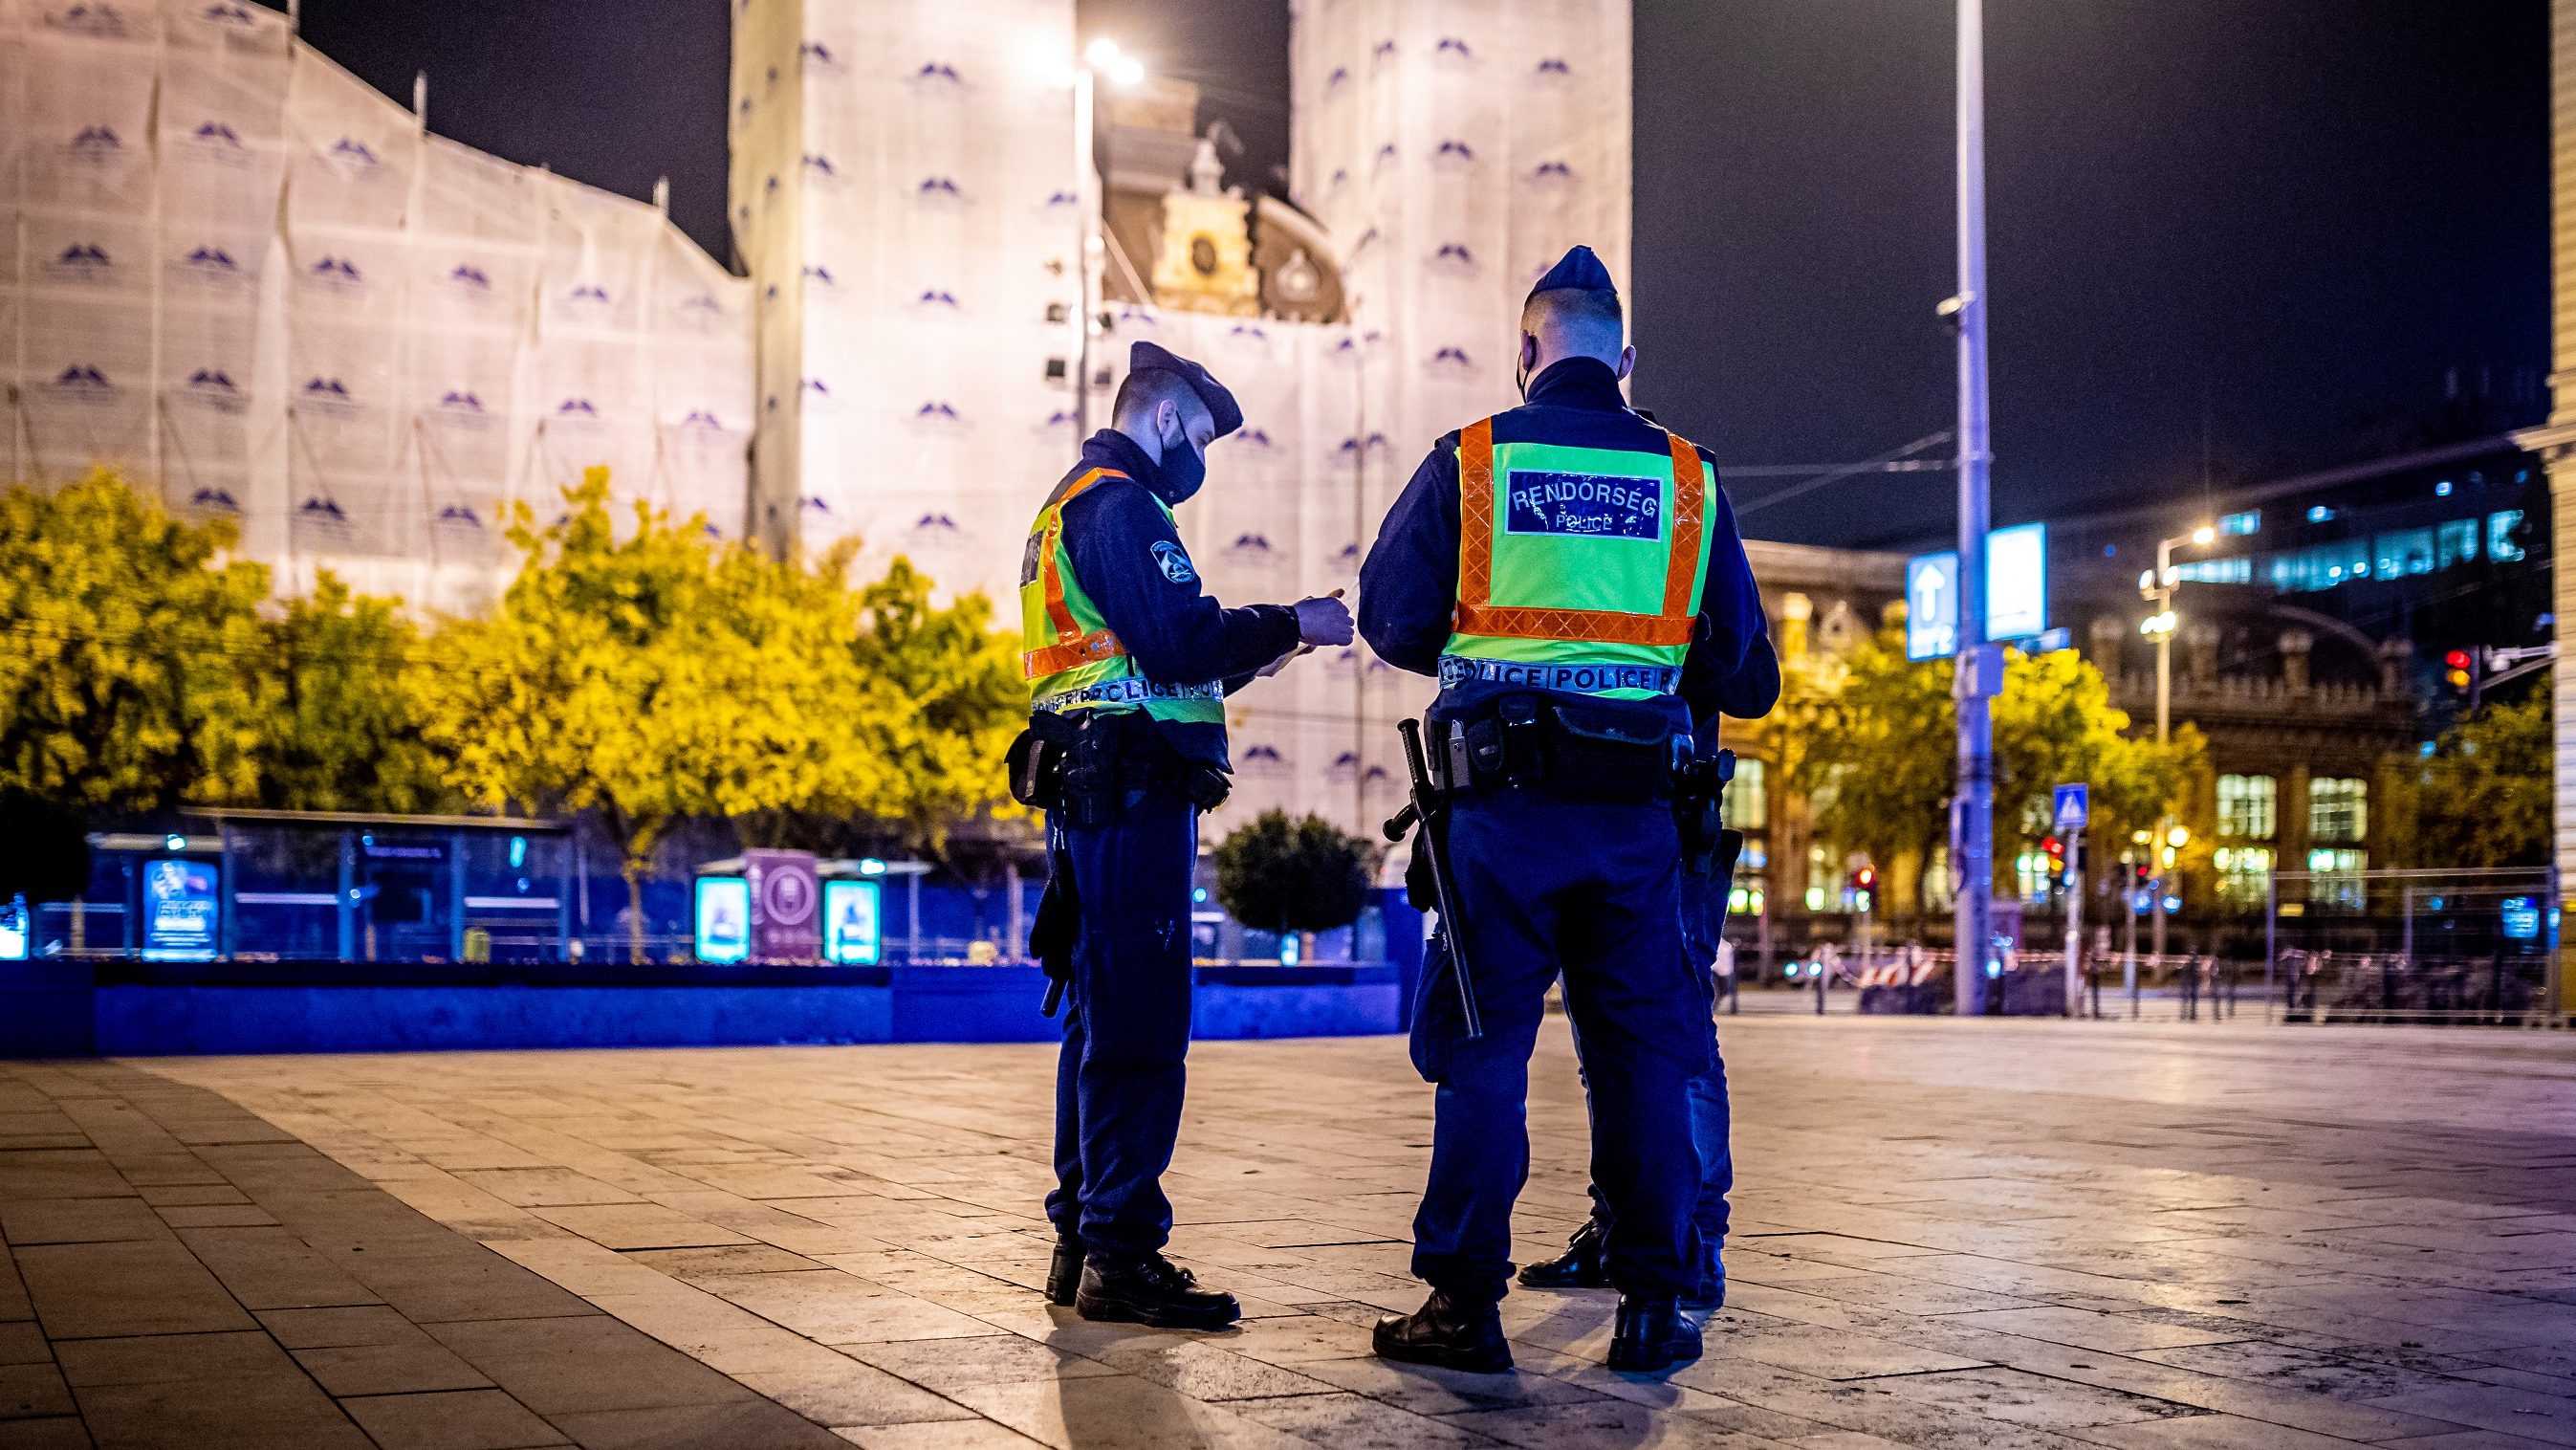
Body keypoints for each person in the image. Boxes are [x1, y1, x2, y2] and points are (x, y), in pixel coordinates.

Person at [1357, 245, 1768, 1374]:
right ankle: (1650, 1309)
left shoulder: (1474, 458)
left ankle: (1464, 1308)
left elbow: (1387, 620)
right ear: (1624, 359)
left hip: (1500, 817)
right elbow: (1743, 667)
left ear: (1525, 347)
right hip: (1635, 826)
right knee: (1640, 1060)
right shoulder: (1690, 478)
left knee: (1485, 1055)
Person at [1018, 341, 1354, 1329]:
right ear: (1164, 419)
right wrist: (1295, 619)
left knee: (1098, 1017)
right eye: (1200, 436)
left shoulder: (1065, 507)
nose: (1201, 459)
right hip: (1128, 799)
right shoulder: (1121, 504)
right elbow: (1180, 639)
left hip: (1095, 792)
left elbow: (1154, 662)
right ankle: (1121, 1253)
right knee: (1138, 1025)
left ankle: (1083, 1239)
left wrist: (1253, 655)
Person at [1516, 636, 1779, 1313]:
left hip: (1656, 810)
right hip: (1585, 800)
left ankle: (1690, 1240)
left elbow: (1752, 684)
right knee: (1606, 1042)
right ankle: (1624, 1229)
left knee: (1673, 1035)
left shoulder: (1692, 527)